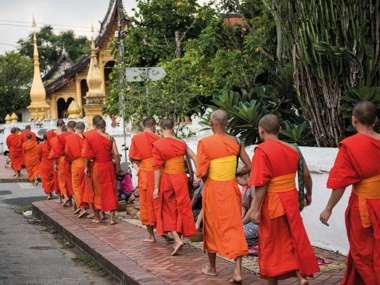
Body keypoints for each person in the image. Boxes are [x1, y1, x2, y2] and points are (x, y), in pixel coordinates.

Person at [249, 114, 319, 285]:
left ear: (261, 131)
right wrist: (308, 194)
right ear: (279, 130)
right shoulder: (293, 149)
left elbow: (261, 184)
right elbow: (306, 175)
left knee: (271, 244)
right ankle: (301, 276)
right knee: (292, 239)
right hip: (291, 199)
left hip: (273, 202)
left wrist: (255, 209)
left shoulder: (262, 151)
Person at [320, 101, 380, 285]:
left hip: (364, 209)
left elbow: (340, 183)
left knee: (364, 253)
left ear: (354, 121)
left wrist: (328, 208)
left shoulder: (351, 146)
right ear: (375, 120)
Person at [196, 110, 251, 283]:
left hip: (213, 189)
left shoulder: (204, 143)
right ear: (226, 123)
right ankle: (237, 272)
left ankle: (212, 268)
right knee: (234, 227)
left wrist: (212, 177)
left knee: (211, 226)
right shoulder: (235, 141)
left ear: (212, 122)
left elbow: (202, 172)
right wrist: (234, 173)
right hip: (231, 188)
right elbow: (249, 165)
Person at [152, 118, 197, 255]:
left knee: (167, 209)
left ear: (160, 129)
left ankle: (177, 239)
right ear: (173, 127)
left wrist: (155, 188)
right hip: (181, 178)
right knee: (182, 206)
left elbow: (157, 168)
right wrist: (198, 175)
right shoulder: (181, 143)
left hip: (168, 179)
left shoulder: (158, 144)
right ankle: (182, 236)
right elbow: (194, 157)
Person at [129, 117, 160, 242]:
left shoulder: (136, 138)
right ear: (154, 126)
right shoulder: (159, 138)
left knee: (146, 204)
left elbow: (132, 157)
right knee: (158, 202)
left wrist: (139, 166)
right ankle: (165, 230)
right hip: (158, 173)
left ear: (143, 125)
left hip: (145, 174)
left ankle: (151, 235)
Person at [85, 118, 120, 225]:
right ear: (105, 127)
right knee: (110, 190)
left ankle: (97, 217)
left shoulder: (90, 137)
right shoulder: (110, 138)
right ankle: (112, 218)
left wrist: (86, 167)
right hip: (109, 166)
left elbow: (87, 155)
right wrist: (117, 168)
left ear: (95, 127)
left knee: (97, 191)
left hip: (97, 167)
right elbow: (116, 154)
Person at [65, 122, 87, 217]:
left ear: (75, 128)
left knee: (76, 186)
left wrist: (70, 161)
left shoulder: (70, 138)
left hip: (76, 163)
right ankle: (83, 206)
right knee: (85, 186)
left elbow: (67, 152)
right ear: (83, 129)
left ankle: (81, 207)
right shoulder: (86, 138)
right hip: (86, 163)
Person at [238, 174, 259, 248]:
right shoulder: (247, 188)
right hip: (249, 222)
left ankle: (257, 241)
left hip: (258, 223)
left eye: (237, 179)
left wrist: (241, 224)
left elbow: (252, 210)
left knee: (237, 234)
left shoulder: (255, 187)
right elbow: (244, 206)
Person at [39, 131, 56, 199]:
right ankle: (54, 191)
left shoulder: (41, 145)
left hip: (45, 165)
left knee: (46, 180)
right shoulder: (53, 145)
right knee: (53, 179)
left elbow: (39, 156)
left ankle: (49, 194)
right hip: (53, 164)